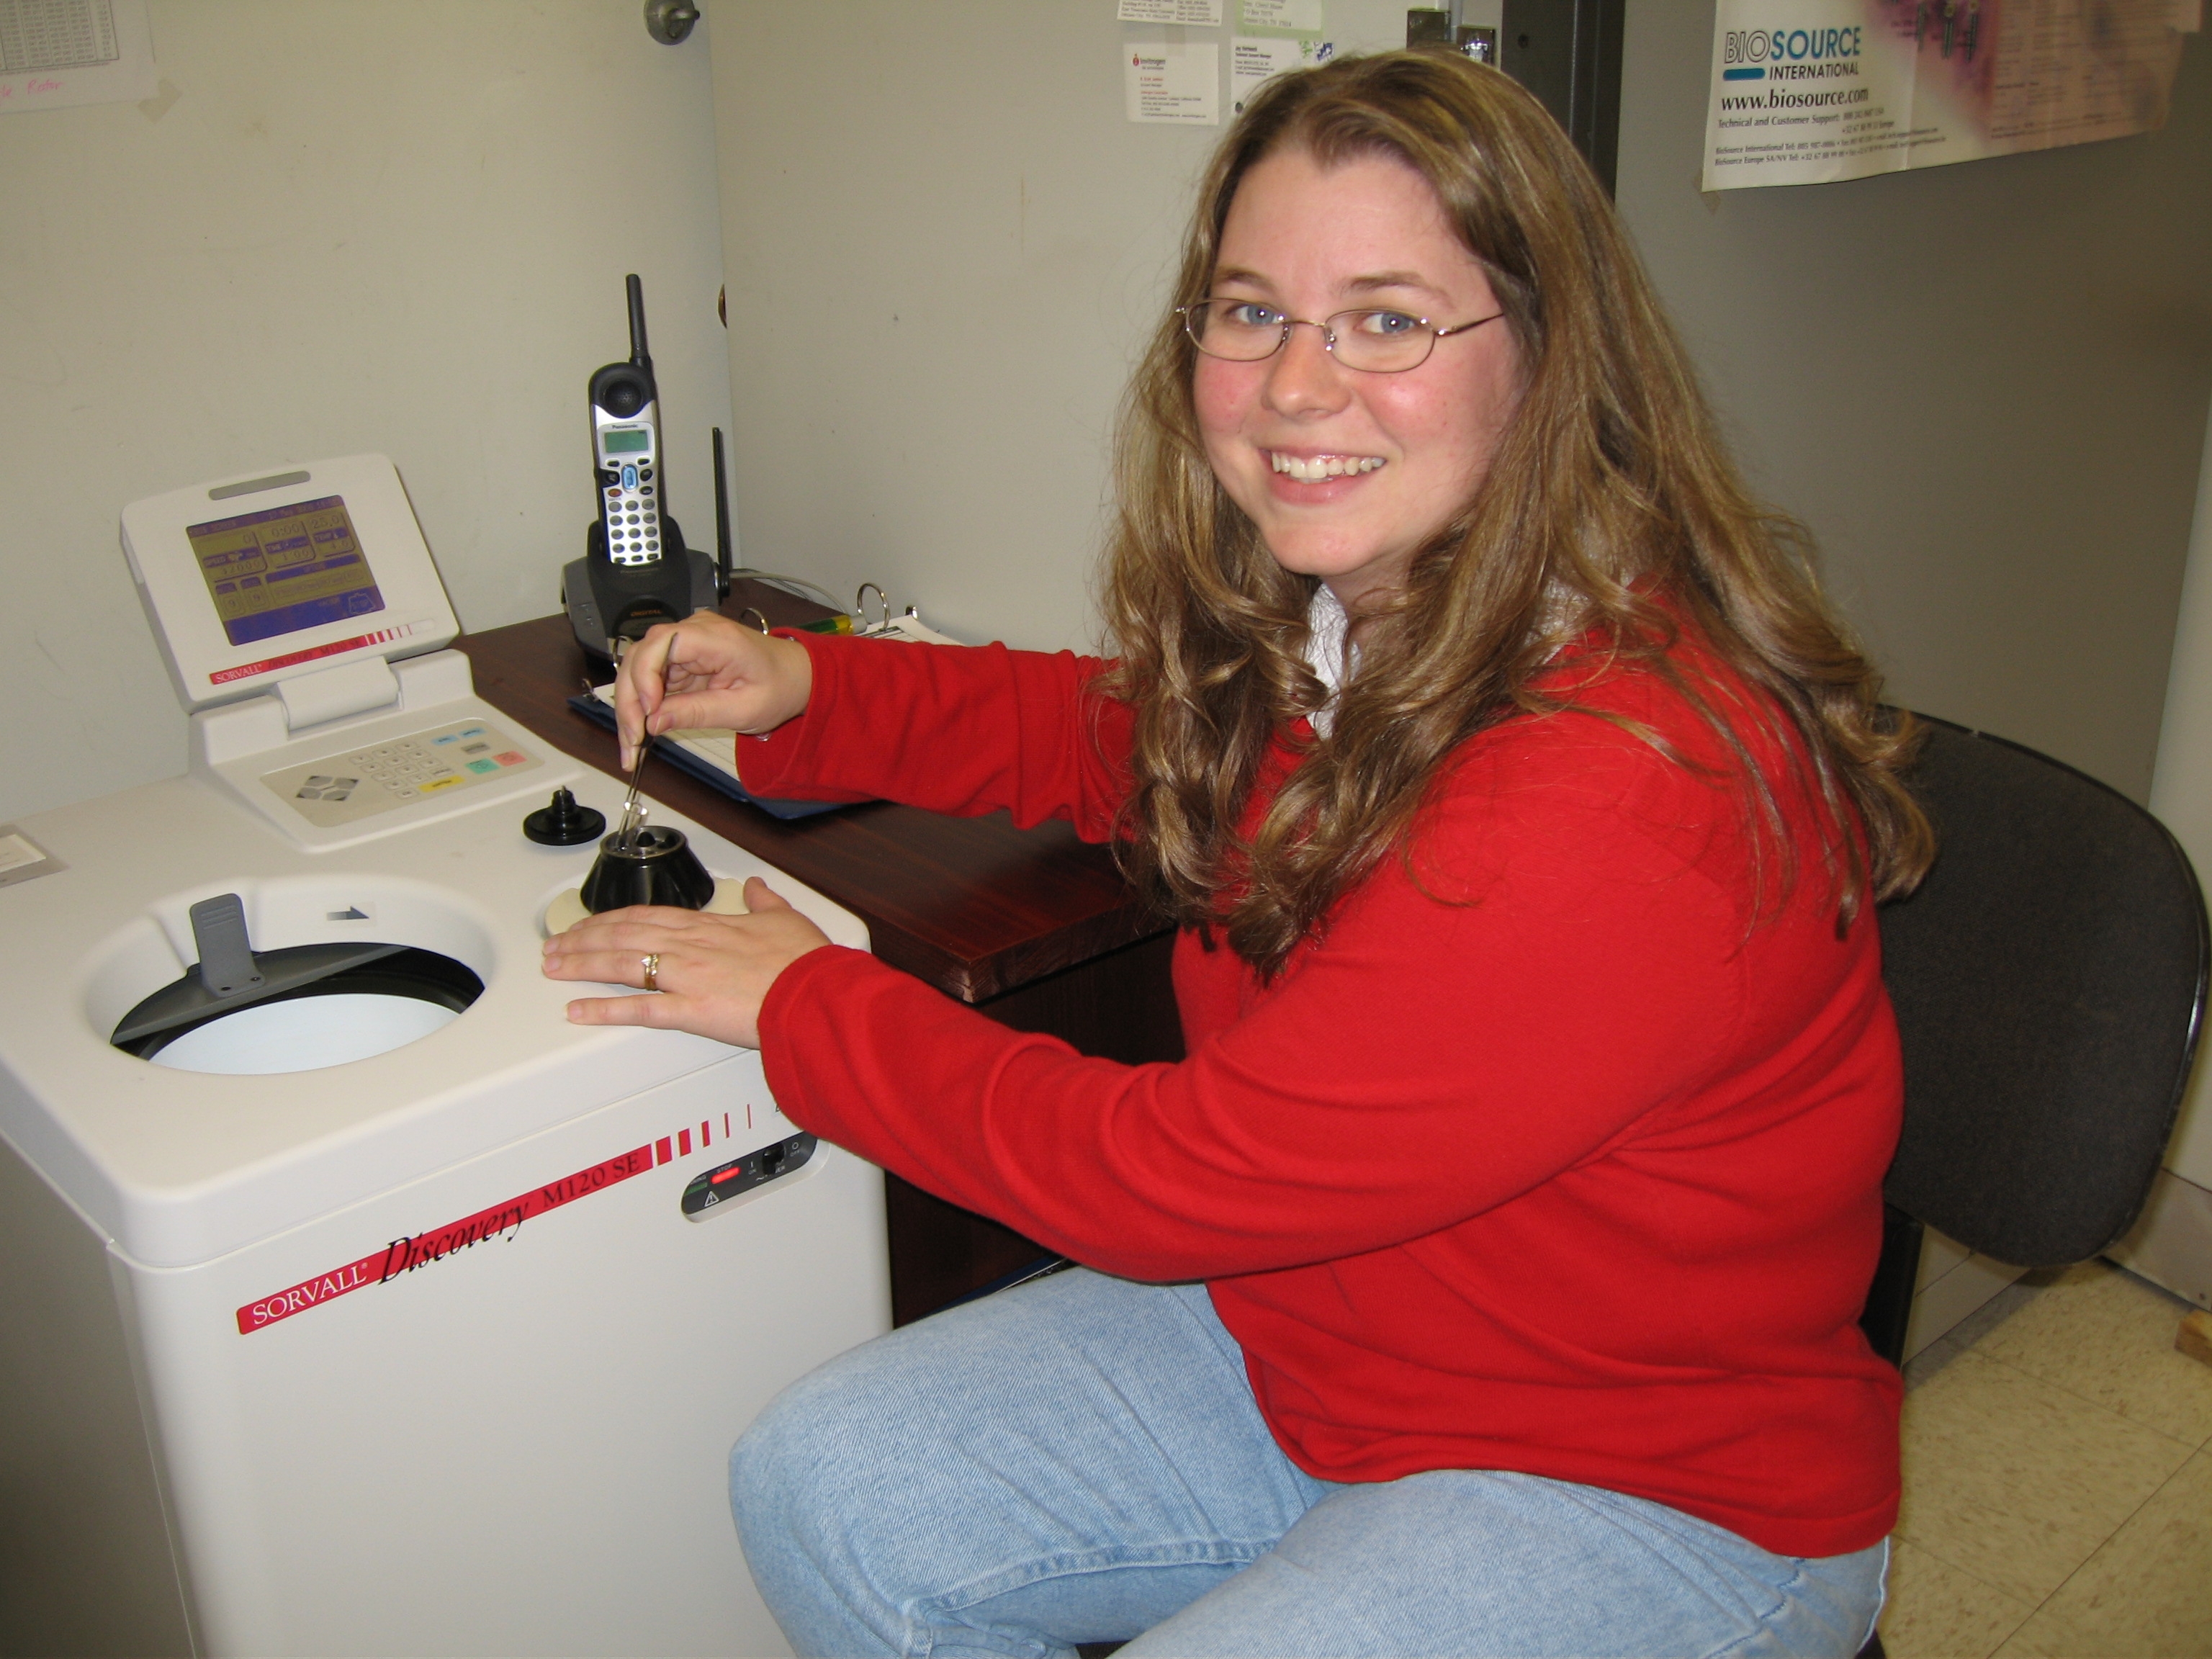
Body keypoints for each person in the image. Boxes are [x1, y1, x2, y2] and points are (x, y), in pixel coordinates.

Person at [541, 48, 1932, 1659]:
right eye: (1253, 311)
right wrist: (814, 686)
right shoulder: (1377, 617)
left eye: (1388, 321)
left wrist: (807, 1005)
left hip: (1640, 1480)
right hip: (1329, 1342)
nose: (1294, 387)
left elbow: (1166, 1181)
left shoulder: (1614, 794)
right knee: (828, 1488)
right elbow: (1136, 735)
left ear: (1547, 359)